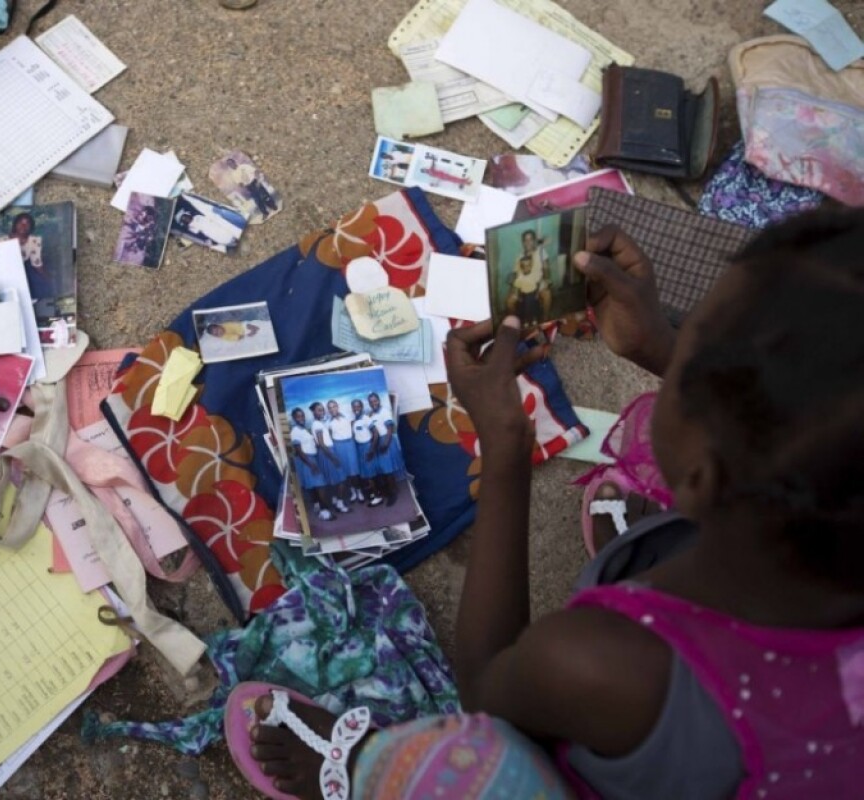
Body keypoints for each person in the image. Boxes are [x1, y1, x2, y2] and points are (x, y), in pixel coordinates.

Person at [240, 209, 864, 799]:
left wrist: (505, 447)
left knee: (452, 760)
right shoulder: (839, 516)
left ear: (703, 479)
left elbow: (489, 696)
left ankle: (360, 765)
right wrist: (658, 347)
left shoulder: (603, 663)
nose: (673, 336)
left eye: (689, 338)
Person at [289, 408, 336, 522]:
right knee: (321, 485)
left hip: (311, 459)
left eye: (303, 416)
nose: (301, 418)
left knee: (315, 486)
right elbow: (299, 451)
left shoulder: (303, 430)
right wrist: (311, 464)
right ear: (294, 418)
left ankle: (320, 508)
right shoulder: (295, 431)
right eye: (298, 416)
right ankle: (325, 512)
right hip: (307, 460)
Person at [0, 212, 53, 299]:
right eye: (20, 223)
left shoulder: (34, 241)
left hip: (19, 274)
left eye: (27, 224)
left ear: (31, 227)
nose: (23, 226)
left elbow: (37, 264)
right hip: (1, 273)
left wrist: (49, 279)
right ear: (15, 224)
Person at [309, 402, 350, 515]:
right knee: (341, 479)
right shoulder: (317, 425)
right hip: (327, 453)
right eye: (319, 410)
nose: (321, 412)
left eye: (322, 410)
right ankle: (340, 504)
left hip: (326, 452)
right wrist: (333, 458)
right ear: (313, 412)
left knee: (334, 479)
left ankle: (336, 501)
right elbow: (321, 444)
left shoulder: (318, 423)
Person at [504, 229, 552, 324]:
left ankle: (545, 321)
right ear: (523, 242)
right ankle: (516, 323)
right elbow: (516, 274)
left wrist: (545, 281)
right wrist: (512, 286)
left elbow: (547, 269)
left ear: (534, 241)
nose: (528, 242)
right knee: (509, 301)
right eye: (525, 240)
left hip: (537, 283)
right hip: (522, 284)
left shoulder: (541, 251)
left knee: (547, 295)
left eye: (530, 239)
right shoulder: (519, 256)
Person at [325, 400, 363, 504]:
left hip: (350, 444)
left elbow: (354, 427)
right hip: (338, 446)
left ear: (338, 406)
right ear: (328, 410)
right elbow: (329, 437)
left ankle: (359, 491)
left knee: (354, 470)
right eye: (330, 407)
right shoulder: (328, 422)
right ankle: (352, 492)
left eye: (334, 406)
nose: (332, 409)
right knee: (345, 471)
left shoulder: (347, 416)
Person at [350, 398, 384, 507]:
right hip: (360, 448)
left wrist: (372, 449)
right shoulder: (355, 421)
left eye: (358, 406)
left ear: (361, 407)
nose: (356, 409)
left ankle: (378, 498)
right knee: (366, 474)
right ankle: (375, 494)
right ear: (352, 408)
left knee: (370, 474)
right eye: (354, 407)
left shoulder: (366, 419)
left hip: (367, 447)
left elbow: (376, 433)